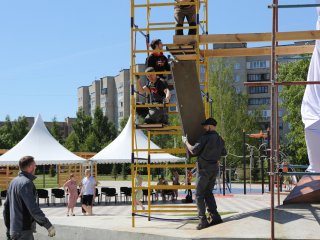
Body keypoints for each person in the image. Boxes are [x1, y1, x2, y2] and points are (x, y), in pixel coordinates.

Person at [182, 118, 226, 230]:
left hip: (204, 170)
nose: (204, 128)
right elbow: (224, 153)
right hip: (214, 169)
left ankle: (203, 221)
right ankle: (215, 217)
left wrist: (185, 141)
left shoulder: (205, 137)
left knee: (199, 194)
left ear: (210, 126)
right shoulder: (220, 139)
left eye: (205, 126)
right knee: (208, 192)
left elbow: (193, 150)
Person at [3, 156, 56, 239]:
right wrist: (48, 225)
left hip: (14, 230)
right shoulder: (26, 183)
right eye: (34, 165)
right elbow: (33, 208)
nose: (36, 167)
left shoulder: (13, 182)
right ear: (30, 167)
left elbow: (6, 208)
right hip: (23, 231)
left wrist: (9, 228)